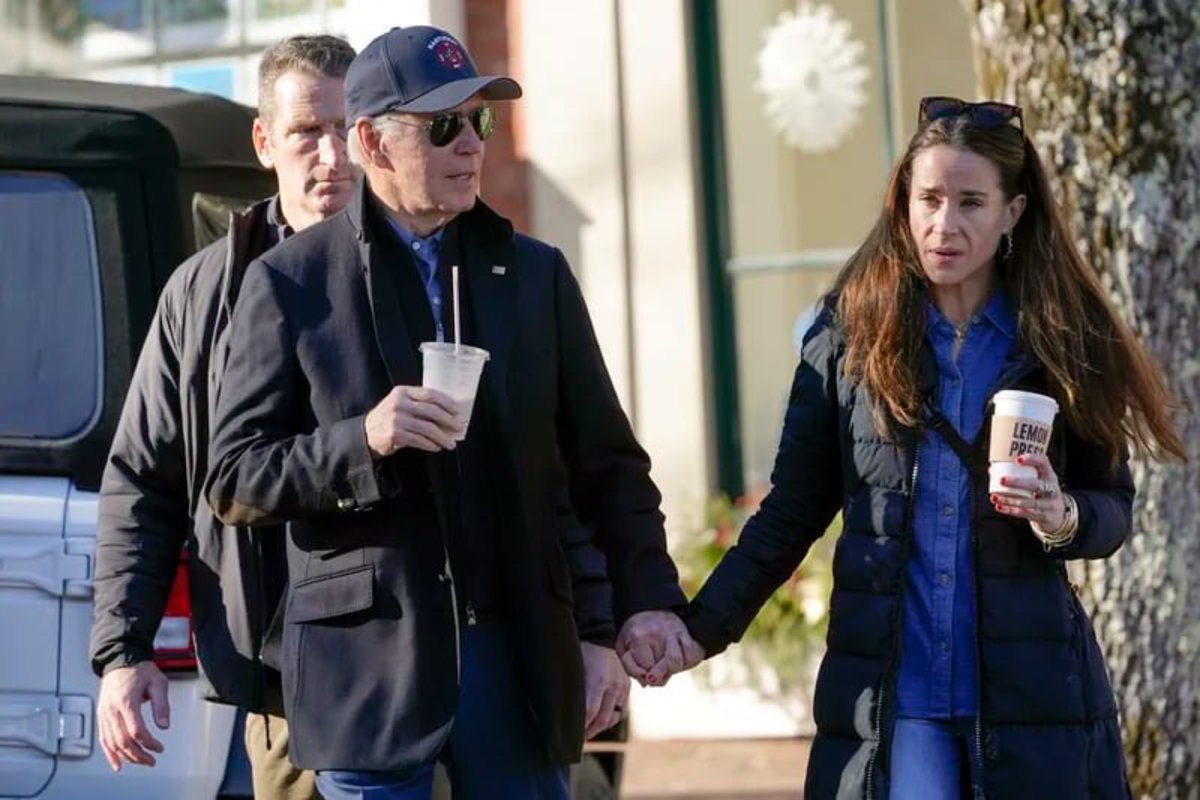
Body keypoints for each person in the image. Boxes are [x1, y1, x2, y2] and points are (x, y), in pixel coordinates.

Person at [620, 96, 1186, 799]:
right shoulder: (849, 336)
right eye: (929, 199)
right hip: (892, 707)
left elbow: (1112, 511)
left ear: (1013, 213)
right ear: (903, 203)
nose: (944, 225)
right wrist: (696, 631)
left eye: (971, 202)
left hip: (1029, 703)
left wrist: (1059, 513)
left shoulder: (1063, 342)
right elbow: (791, 513)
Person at [203, 24, 688, 800]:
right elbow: (233, 478)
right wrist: (364, 440)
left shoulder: (534, 275)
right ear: (371, 141)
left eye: (479, 121)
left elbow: (607, 470)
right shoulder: (288, 283)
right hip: (369, 674)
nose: (471, 145)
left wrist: (627, 617)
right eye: (442, 126)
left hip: (516, 659)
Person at [88, 34, 356, 800]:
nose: (332, 156)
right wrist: (122, 650)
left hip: (424, 671)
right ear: (265, 141)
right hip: (280, 682)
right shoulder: (202, 294)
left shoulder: (422, 267)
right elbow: (144, 478)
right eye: (309, 131)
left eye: (347, 126)